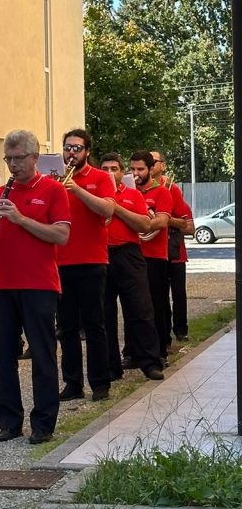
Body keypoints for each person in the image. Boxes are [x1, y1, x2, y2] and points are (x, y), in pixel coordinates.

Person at [0, 130, 70, 445]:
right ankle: (9, 422)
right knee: (3, 354)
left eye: (18, 158)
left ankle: (44, 423)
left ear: (34, 157)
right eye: (8, 159)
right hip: (1, 284)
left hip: (38, 284)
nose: (12, 165)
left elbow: (60, 236)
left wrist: (20, 219)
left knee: (43, 354)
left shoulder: (52, 190)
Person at [56, 129, 115, 402]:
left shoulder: (101, 178)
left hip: (92, 261)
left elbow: (107, 210)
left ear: (87, 152)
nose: (72, 153)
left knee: (95, 324)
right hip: (61, 261)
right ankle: (72, 383)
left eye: (77, 148)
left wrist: (77, 189)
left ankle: (100, 383)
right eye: (68, 148)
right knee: (66, 327)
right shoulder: (53, 180)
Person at [99, 153, 164, 382]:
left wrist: (115, 208)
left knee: (140, 310)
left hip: (128, 254)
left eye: (114, 168)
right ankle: (110, 367)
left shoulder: (132, 194)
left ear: (121, 172)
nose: (109, 173)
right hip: (101, 256)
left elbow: (144, 225)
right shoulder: (93, 196)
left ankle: (150, 362)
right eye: (105, 168)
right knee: (103, 314)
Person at [129, 150, 173, 363]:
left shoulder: (161, 192)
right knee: (132, 305)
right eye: (133, 169)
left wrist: (143, 223)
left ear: (150, 169)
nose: (136, 173)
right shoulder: (127, 192)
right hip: (132, 253)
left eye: (140, 169)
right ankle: (133, 351)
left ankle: (160, 351)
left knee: (156, 304)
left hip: (155, 255)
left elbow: (162, 221)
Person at [150, 151, 194, 343]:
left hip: (174, 251)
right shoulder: (136, 188)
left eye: (154, 162)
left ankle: (181, 329)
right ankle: (163, 333)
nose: (150, 165)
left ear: (163, 166)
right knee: (158, 295)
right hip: (153, 251)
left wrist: (163, 219)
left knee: (177, 293)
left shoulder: (172, 189)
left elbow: (188, 225)